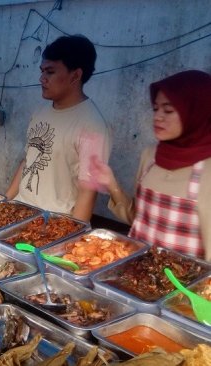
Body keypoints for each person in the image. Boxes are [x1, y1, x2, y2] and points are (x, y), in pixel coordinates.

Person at [90, 70, 211, 260]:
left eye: (168, 110)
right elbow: (138, 219)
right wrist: (111, 183)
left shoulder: (207, 172)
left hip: (183, 286)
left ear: (197, 112)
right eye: (156, 108)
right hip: (136, 273)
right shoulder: (150, 157)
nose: (158, 116)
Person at [5, 35, 111, 222]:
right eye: (42, 71)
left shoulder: (93, 127)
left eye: (50, 72)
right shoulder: (39, 113)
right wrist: (4, 202)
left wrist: (70, 239)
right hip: (17, 214)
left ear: (75, 76)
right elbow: (26, 162)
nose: (42, 78)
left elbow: (88, 192)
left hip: (51, 225)